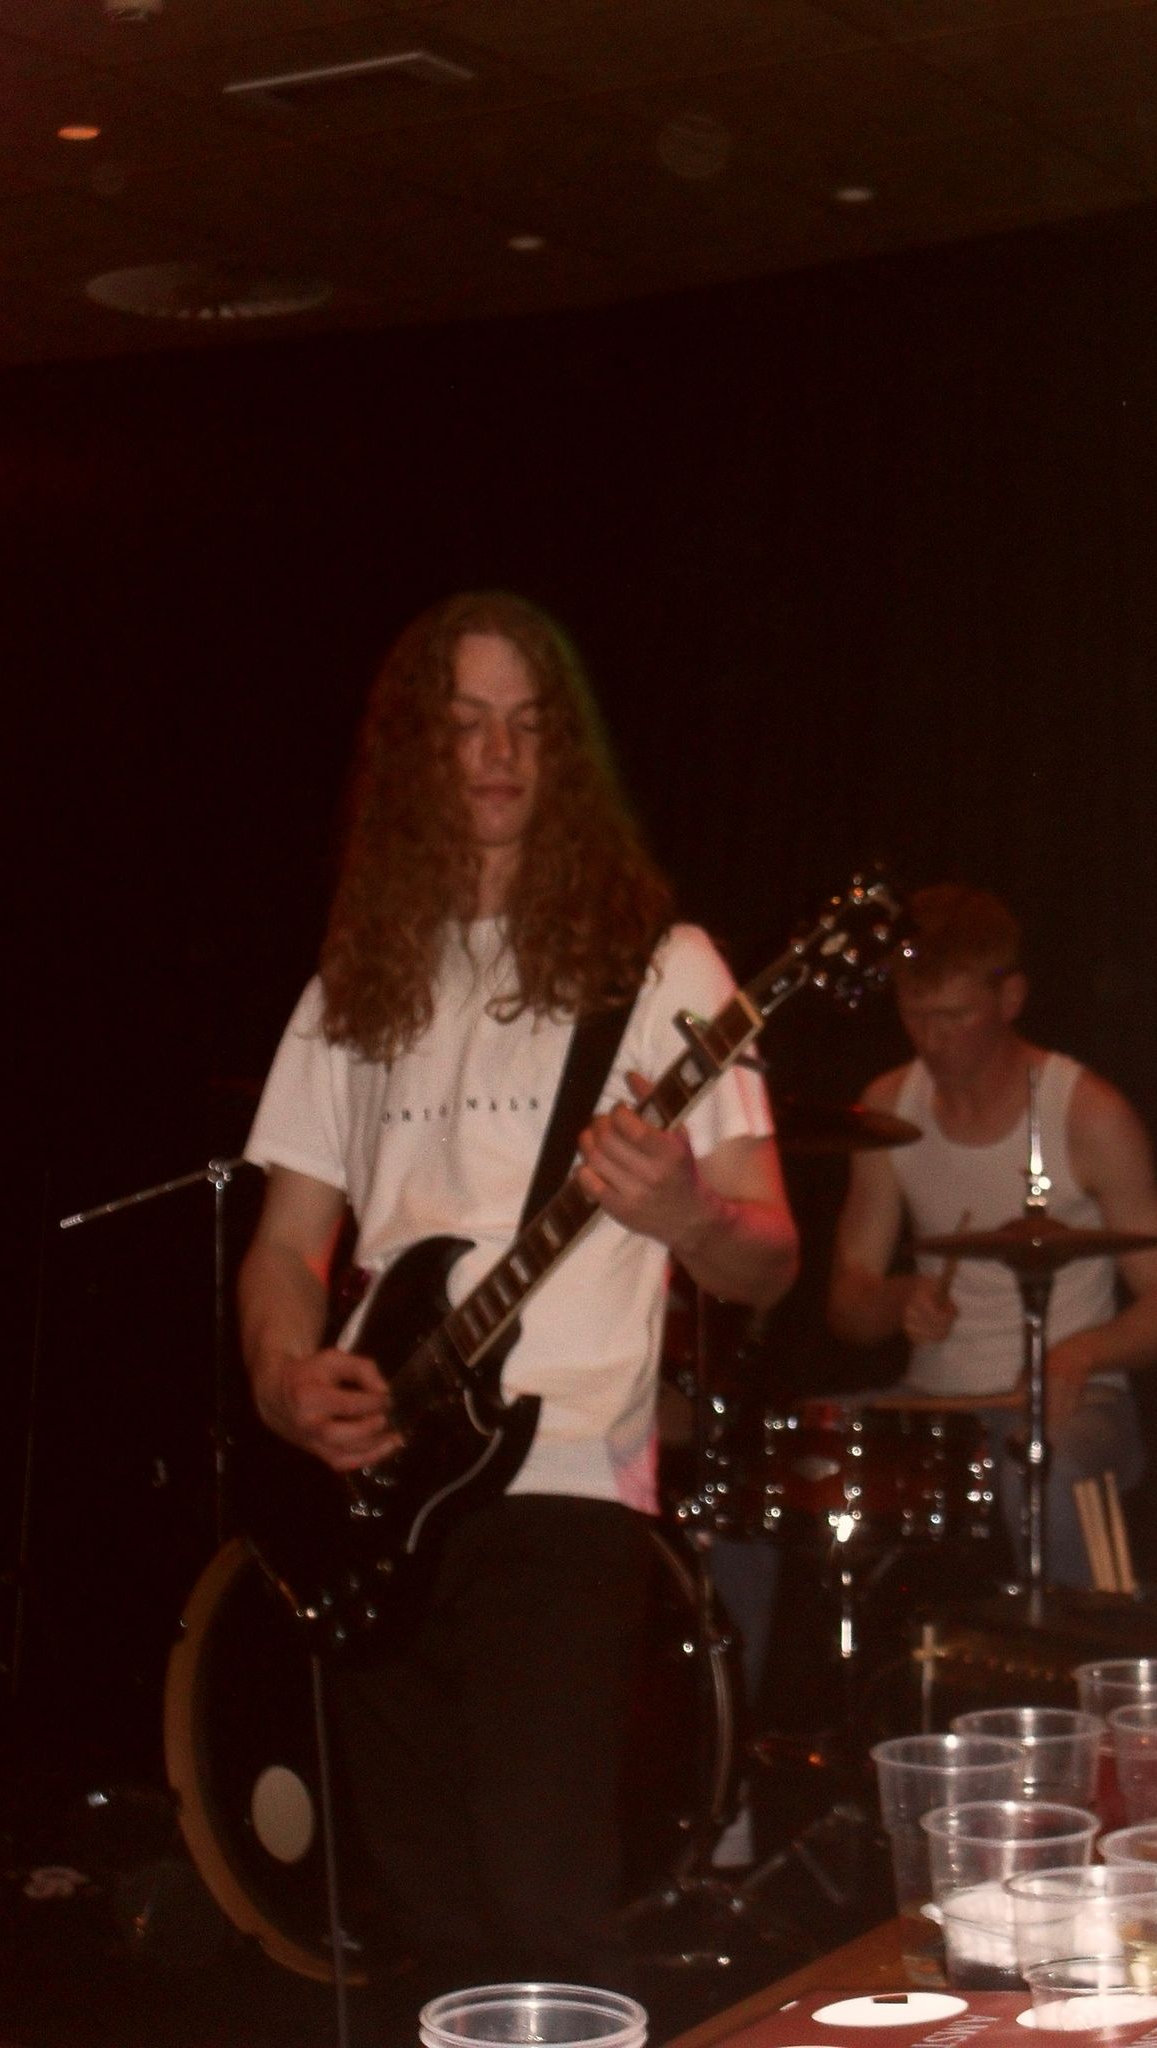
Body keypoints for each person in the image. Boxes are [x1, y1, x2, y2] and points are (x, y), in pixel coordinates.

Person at [238, 590, 798, 1992]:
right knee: (424, 1916)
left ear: (567, 757)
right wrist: (286, 1379)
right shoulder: (359, 978)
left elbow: (770, 1253)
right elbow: (287, 1241)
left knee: (542, 1904)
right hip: (376, 1488)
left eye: (528, 728)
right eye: (467, 725)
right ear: (417, 755)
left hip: (562, 1477)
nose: (496, 755)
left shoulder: (663, 968)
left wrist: (684, 1211)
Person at [827, 883, 1157, 1588]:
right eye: (914, 1015)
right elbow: (847, 1305)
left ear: (1010, 998)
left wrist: (1081, 1353)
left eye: (954, 1015)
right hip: (931, 1402)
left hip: (1078, 1406)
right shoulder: (887, 1108)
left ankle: (1079, 1646)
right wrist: (898, 1300)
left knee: (1042, 1464)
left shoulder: (1087, 1113)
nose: (931, 1039)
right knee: (779, 1458)